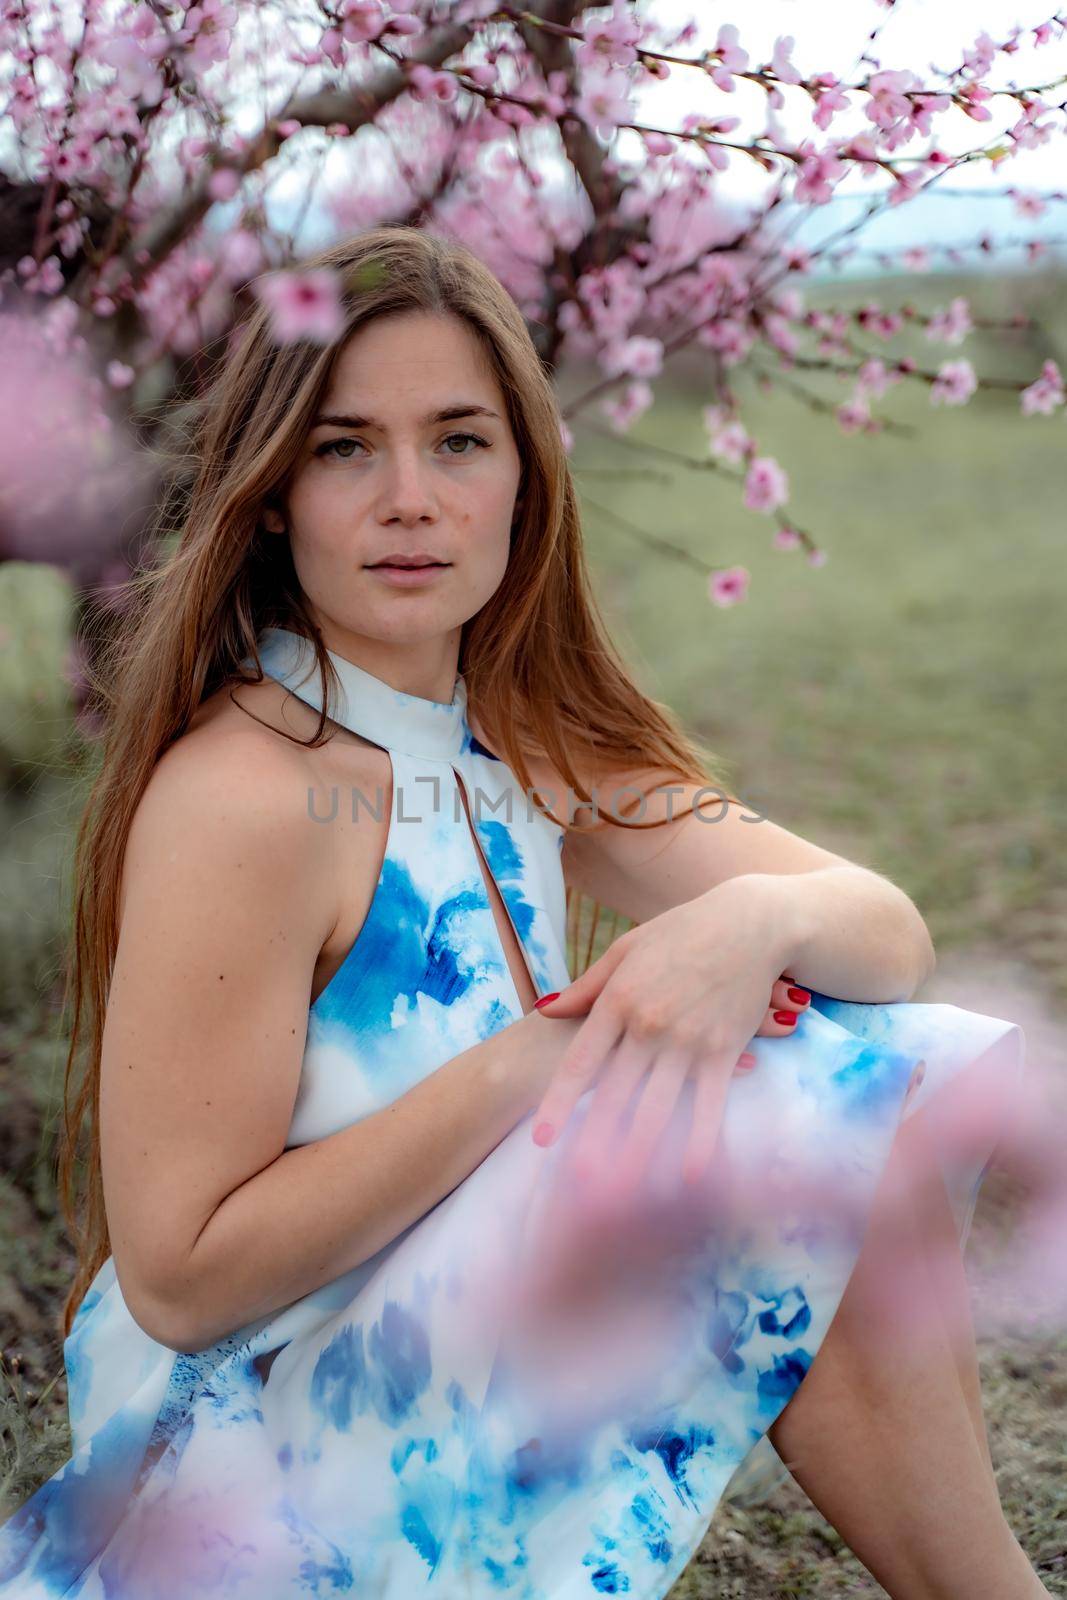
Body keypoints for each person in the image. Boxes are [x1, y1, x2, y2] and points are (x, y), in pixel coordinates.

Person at [0, 225, 1047, 1599]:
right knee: (788, 1106)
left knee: (835, 1084)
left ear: (523, 479)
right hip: (257, 1473)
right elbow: (184, 1280)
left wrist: (747, 930)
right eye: (343, 448)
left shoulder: (514, 743)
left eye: (458, 441)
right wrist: (546, 1055)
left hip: (444, 1360)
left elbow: (883, 932)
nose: (410, 498)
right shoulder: (247, 796)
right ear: (271, 496)